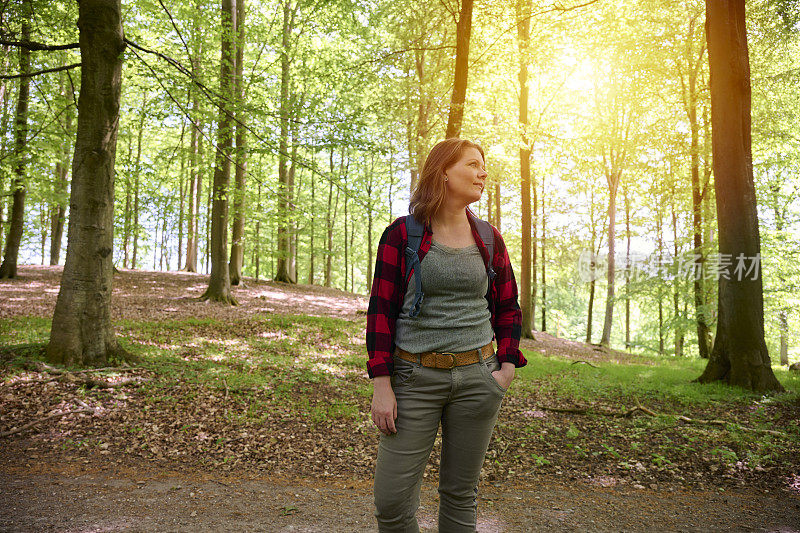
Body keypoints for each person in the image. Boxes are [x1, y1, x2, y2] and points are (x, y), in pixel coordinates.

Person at [366, 138, 526, 532]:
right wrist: (381, 385)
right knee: (391, 502)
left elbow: (508, 306)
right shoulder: (403, 235)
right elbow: (380, 311)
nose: (482, 173)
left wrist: (505, 367)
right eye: (473, 164)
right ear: (443, 172)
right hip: (413, 379)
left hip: (478, 378)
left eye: (483, 166)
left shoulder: (488, 238)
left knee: (460, 496)